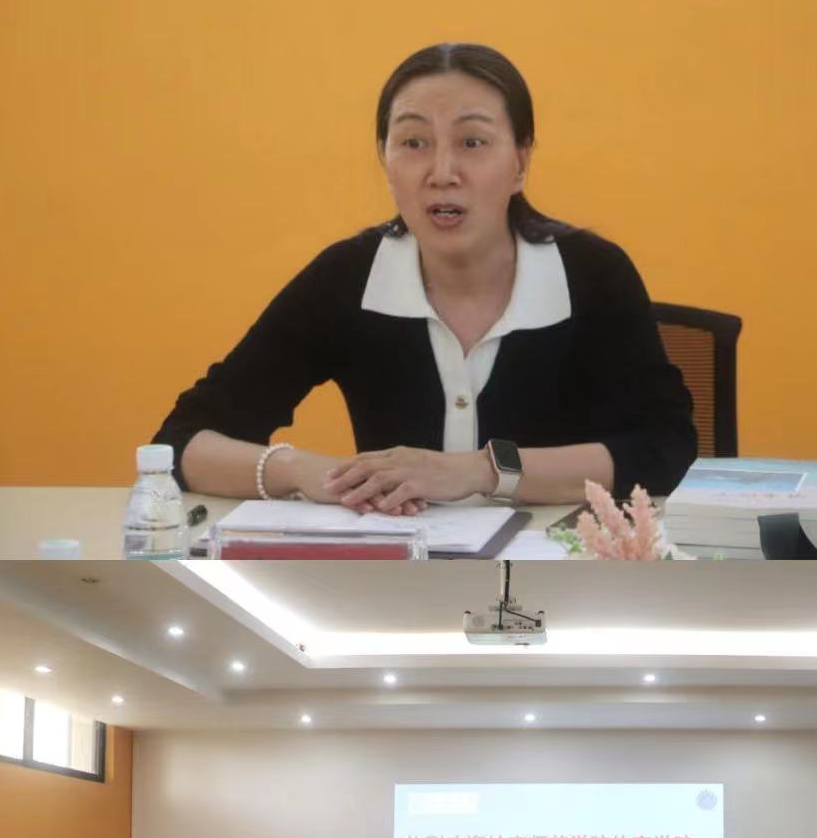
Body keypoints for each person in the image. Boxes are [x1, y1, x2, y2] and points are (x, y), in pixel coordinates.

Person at [153, 43, 698, 511]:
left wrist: (482, 471)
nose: (442, 173)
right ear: (384, 159)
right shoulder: (348, 278)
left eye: (472, 142)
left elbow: (666, 448)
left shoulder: (591, 274)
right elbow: (181, 442)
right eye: (413, 143)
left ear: (520, 161)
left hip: (564, 573)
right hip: (403, 576)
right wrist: (305, 472)